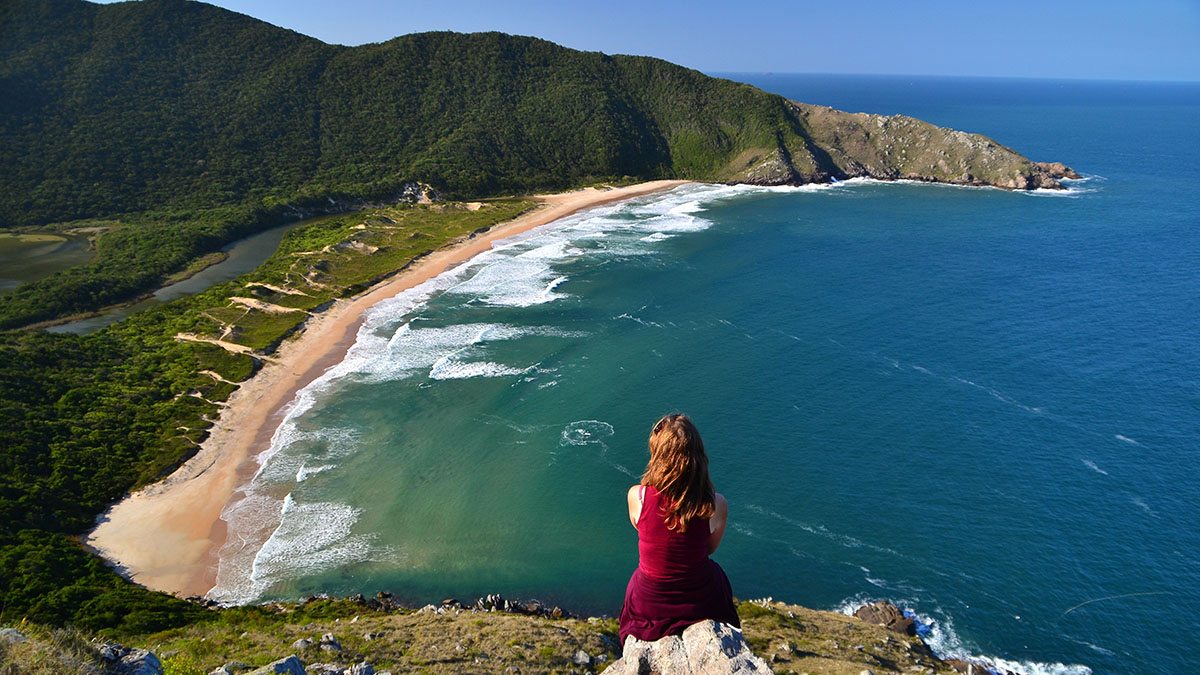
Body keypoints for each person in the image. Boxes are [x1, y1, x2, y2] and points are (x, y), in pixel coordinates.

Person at [618, 413, 740, 645]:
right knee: (718, 576)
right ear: (698, 456)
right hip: (700, 598)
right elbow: (709, 549)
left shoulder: (638, 496)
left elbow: (645, 533)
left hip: (650, 600)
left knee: (637, 580)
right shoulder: (716, 504)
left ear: (657, 455)